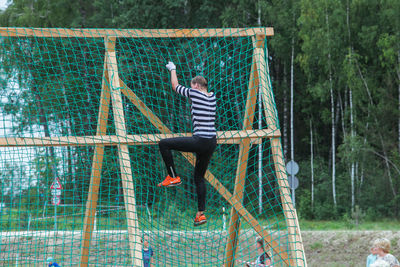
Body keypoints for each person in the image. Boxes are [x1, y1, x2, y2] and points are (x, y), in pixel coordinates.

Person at [158, 61, 217, 226]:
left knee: (164, 144)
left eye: (192, 86)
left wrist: (173, 69)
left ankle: (173, 176)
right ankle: (200, 214)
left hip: (200, 140)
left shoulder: (195, 93)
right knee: (199, 177)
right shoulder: (212, 97)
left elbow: (175, 86)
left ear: (197, 86)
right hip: (211, 142)